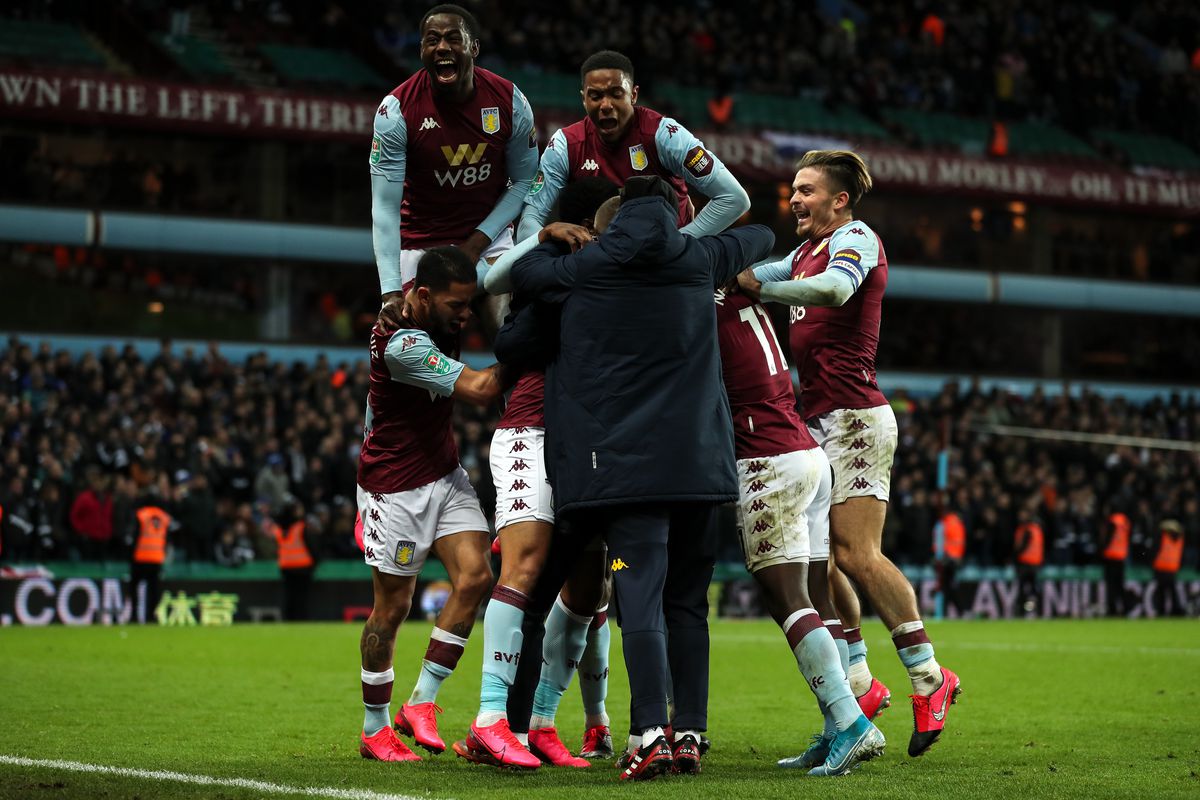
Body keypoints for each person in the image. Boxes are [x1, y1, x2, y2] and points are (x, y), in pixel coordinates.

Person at [502, 176, 775, 781]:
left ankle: (649, 729)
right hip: (701, 466)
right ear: (673, 213)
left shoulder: (587, 265)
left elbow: (521, 283)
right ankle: (690, 733)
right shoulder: (699, 257)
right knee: (689, 606)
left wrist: (553, 240)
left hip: (626, 472)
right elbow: (761, 233)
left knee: (640, 602)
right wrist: (697, 238)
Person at [739, 150, 961, 759]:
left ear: (840, 199)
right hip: (816, 419)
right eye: (792, 189)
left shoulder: (856, 239)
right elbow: (756, 274)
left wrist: (764, 282)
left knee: (856, 555)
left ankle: (929, 675)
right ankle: (858, 681)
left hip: (857, 417)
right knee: (823, 564)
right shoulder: (801, 252)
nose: (795, 199)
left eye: (806, 190)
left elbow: (836, 290)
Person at [456, 178, 619, 771]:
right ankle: (491, 720)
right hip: (530, 432)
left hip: (584, 444)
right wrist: (543, 245)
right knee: (523, 569)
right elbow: (500, 315)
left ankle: (545, 722)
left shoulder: (612, 279)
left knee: (587, 589)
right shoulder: (548, 267)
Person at [715, 283, 884, 776]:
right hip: (806, 451)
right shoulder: (737, 295)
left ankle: (852, 724)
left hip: (766, 457)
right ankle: (836, 727)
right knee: (815, 592)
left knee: (784, 598)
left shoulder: (693, 299)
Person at [356, 247, 515, 764]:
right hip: (395, 487)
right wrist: (535, 340)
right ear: (422, 297)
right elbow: (482, 387)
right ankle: (374, 727)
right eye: (456, 306)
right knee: (393, 607)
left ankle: (420, 702)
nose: (465, 315)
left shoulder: (428, 305)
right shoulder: (401, 343)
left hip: (444, 475)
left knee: (476, 578)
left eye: (470, 304)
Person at [370, 3, 538, 323]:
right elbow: (385, 207)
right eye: (432, 40)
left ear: (473, 48)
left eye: (453, 39)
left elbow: (524, 181)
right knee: (406, 339)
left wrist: (476, 243)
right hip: (422, 246)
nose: (442, 47)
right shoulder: (395, 112)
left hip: (489, 241)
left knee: (512, 336)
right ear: (421, 50)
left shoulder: (510, 101)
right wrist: (390, 291)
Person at [516, 49, 749, 243]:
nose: (606, 105)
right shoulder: (565, 144)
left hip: (668, 265)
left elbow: (734, 198)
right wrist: (547, 236)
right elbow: (530, 219)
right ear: (583, 99)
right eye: (595, 96)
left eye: (616, 94)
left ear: (633, 95)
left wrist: (678, 243)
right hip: (599, 263)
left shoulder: (666, 135)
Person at [130, 497, 172, 624]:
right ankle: (151, 616)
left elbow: (134, 536)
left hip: (140, 558)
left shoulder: (141, 514)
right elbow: (166, 539)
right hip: (156, 558)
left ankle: (134, 616)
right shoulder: (164, 517)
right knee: (153, 590)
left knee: (134, 588)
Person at [1100, 506, 1131, 616]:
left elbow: (1107, 540)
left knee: (1111, 587)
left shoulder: (1111, 522)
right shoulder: (1125, 522)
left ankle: (1112, 610)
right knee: (1120, 586)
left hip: (1110, 558)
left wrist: (1101, 551)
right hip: (1121, 558)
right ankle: (1126, 608)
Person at [1151, 520, 1185, 617]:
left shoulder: (1163, 537)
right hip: (1172, 569)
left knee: (1161, 592)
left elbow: (1154, 550)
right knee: (1172, 592)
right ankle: (1176, 611)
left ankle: (1161, 611)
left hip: (1161, 567)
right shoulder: (1179, 539)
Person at [1014, 508, 1045, 613]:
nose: (1020, 516)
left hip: (1026, 564)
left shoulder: (1026, 529)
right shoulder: (1037, 528)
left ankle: (1023, 610)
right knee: (1034, 590)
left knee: (1023, 589)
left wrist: (1014, 558)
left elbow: (1022, 547)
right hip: (1036, 564)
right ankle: (1038, 610)